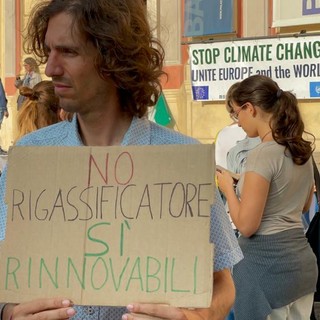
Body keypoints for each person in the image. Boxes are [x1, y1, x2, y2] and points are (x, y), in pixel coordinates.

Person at [0, 1, 243, 320]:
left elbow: (222, 283)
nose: (51, 68)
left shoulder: (179, 160)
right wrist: (8, 312)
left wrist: (197, 317)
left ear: (113, 57)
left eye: (68, 52)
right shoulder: (30, 158)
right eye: (49, 51)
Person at [217, 74, 318, 320]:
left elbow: (247, 226)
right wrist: (243, 180)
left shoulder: (262, 154)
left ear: (249, 108)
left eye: (236, 113)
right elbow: (301, 204)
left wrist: (227, 189)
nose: (238, 122)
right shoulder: (300, 151)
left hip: (267, 270)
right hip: (301, 266)